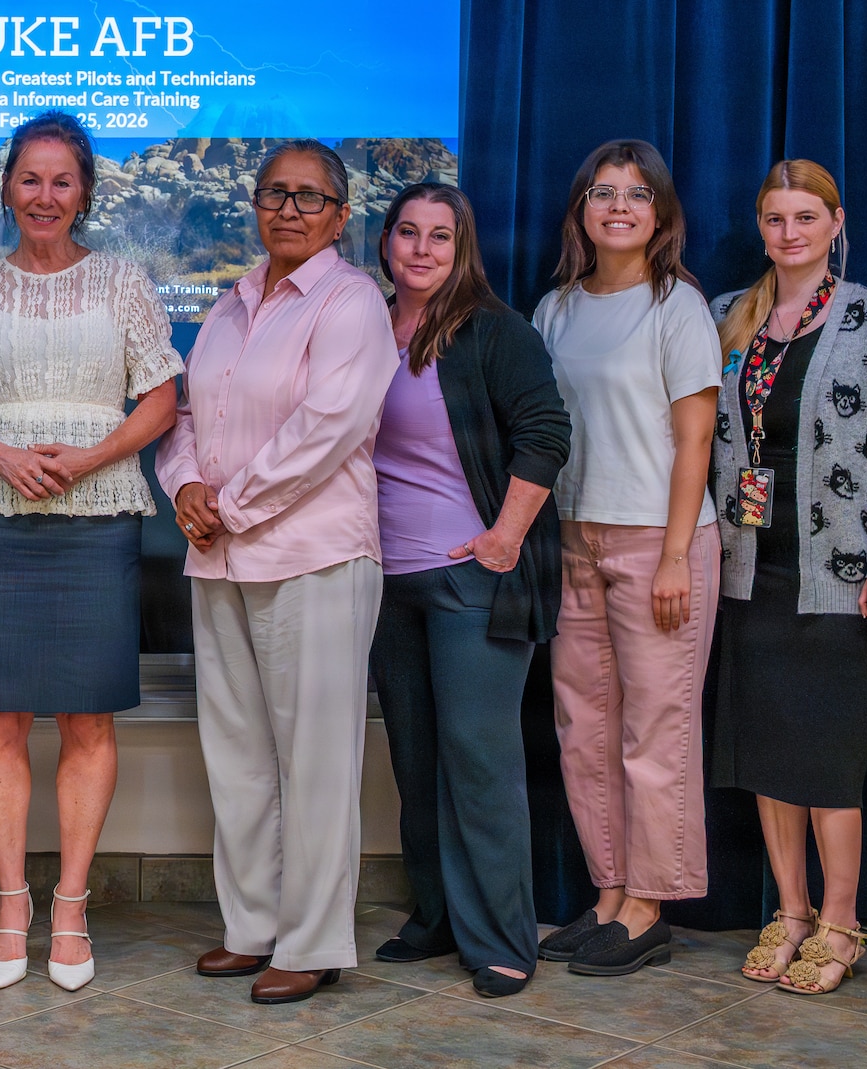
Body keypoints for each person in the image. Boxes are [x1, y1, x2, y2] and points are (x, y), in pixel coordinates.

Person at [0, 112, 183, 992]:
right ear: (7, 189)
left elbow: (162, 398)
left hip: (98, 520)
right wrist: (4, 457)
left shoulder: (123, 282)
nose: (44, 196)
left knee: (88, 720)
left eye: (62, 181)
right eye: (30, 179)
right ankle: (12, 906)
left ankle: (70, 907)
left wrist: (88, 460)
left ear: (85, 194)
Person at [153, 139, 397, 1006]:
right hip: (219, 557)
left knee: (316, 758)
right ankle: (252, 925)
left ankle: (314, 940)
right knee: (238, 756)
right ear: (254, 205)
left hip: (313, 556)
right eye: (274, 194)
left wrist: (232, 504)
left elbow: (330, 426)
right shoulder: (230, 303)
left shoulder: (352, 300)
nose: (289, 209)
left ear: (341, 214)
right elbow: (187, 413)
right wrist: (185, 485)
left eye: (309, 196)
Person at [707, 160, 867, 995]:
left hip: (838, 574)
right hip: (751, 567)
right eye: (775, 218)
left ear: (836, 222)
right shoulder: (729, 315)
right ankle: (791, 910)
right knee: (768, 755)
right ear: (760, 226)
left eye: (806, 217)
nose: (789, 232)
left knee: (827, 760)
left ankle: (840, 920)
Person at [366, 183, 570, 999]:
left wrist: (505, 536)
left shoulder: (494, 329)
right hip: (385, 578)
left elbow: (546, 433)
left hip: (470, 575)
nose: (421, 249)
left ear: (462, 248)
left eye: (440, 236)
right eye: (408, 232)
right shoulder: (364, 326)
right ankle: (440, 918)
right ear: (385, 241)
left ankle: (503, 940)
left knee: (478, 759)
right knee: (416, 761)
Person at [532, 139, 722, 977]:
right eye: (603, 192)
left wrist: (678, 554)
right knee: (585, 729)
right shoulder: (556, 310)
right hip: (576, 537)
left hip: (658, 542)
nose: (618, 206)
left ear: (660, 214)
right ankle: (609, 893)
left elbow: (696, 440)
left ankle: (650, 905)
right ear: (581, 209)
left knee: (656, 730)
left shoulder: (677, 306)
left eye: (637, 194)